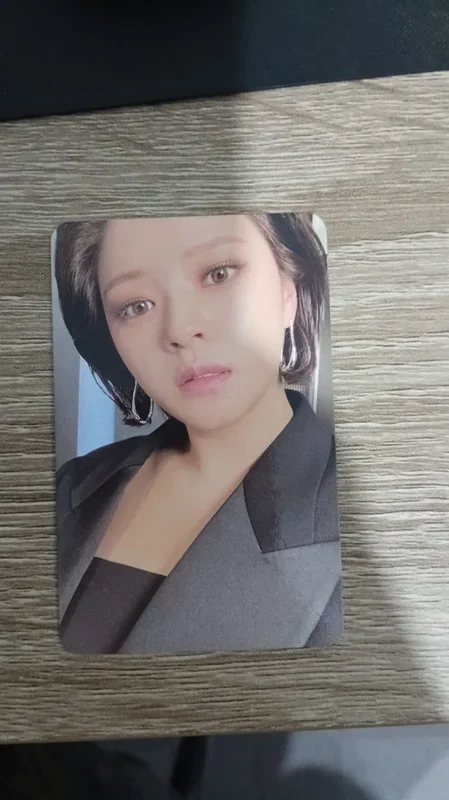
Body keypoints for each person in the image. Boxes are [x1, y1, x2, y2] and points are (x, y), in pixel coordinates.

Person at [55, 212, 342, 654]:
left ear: (290, 290)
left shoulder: (377, 528)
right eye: (136, 306)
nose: (179, 330)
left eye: (218, 274)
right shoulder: (70, 486)